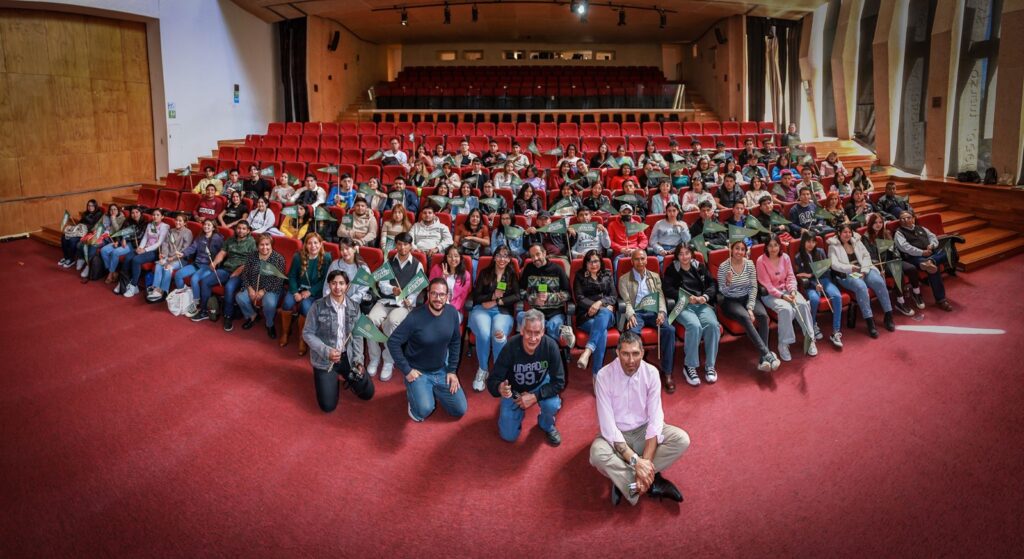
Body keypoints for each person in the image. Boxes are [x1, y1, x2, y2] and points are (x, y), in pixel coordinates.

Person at [590, 331, 689, 506]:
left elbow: (655, 420)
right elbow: (608, 427)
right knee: (597, 454)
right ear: (617, 353)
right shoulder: (604, 376)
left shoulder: (651, 373)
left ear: (642, 353)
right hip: (617, 434)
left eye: (635, 353)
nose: (631, 360)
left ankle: (627, 482)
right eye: (625, 354)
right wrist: (636, 462)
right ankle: (651, 482)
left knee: (682, 440)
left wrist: (644, 463)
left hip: (644, 430)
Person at [388, 278, 467, 423]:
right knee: (424, 410)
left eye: (442, 294)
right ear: (428, 294)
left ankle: (431, 390)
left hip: (441, 370)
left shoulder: (452, 313)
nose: (438, 298)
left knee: (459, 409)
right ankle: (415, 397)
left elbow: (456, 342)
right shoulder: (415, 317)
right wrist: (407, 370)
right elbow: (393, 342)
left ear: (447, 296)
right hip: (418, 372)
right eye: (434, 293)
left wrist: (452, 370)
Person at [487, 310, 565, 446]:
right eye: (529, 332)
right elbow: (493, 380)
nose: (533, 338)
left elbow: (559, 382)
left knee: (552, 404)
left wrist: (535, 396)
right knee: (508, 436)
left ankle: (546, 424)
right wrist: (500, 388)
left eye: (537, 333)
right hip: (514, 390)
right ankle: (517, 412)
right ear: (522, 330)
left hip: (540, 384)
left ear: (543, 332)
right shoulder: (510, 346)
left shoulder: (551, 346)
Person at [302, 269, 375, 412]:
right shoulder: (317, 306)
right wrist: (326, 351)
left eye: (341, 283)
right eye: (334, 283)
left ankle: (348, 376)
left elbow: (357, 336)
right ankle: (329, 378)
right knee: (328, 406)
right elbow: (307, 333)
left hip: (347, 356)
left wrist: (358, 360)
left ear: (347, 286)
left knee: (367, 393)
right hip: (325, 360)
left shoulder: (354, 307)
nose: (337, 287)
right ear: (329, 284)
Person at [367, 232, 424, 381]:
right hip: (385, 301)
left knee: (391, 322)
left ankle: (388, 360)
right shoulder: (388, 262)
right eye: (399, 244)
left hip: (402, 305)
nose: (402, 247)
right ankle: (374, 357)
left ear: (410, 246)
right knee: (370, 320)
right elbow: (382, 284)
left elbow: (417, 289)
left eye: (405, 244)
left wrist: (409, 300)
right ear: (396, 245)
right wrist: (392, 289)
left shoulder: (418, 265)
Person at [717, 239, 780, 371]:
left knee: (763, 316)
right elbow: (722, 292)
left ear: (746, 252)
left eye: (742, 249)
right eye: (737, 248)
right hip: (730, 300)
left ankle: (763, 359)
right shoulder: (723, 267)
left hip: (748, 298)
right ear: (731, 249)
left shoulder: (750, 264)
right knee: (746, 317)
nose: (739, 252)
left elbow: (753, 287)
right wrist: (728, 282)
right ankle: (767, 354)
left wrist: (750, 307)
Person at [663, 243, 720, 388]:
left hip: (701, 304)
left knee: (713, 325)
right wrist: (686, 297)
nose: (684, 257)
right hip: (682, 305)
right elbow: (667, 289)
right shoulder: (672, 269)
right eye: (681, 254)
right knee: (694, 326)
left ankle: (710, 365)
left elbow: (712, 285)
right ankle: (690, 366)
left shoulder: (700, 266)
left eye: (687, 253)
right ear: (677, 256)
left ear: (692, 254)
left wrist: (705, 297)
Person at [468, 246, 521, 391]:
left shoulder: (512, 275)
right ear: (494, 257)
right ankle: (483, 369)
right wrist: (491, 296)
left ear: (509, 259)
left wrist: (498, 301)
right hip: (482, 310)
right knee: (484, 333)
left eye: (505, 256)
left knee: (498, 333)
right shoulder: (485, 273)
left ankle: (499, 371)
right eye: (499, 255)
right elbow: (476, 296)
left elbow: (517, 296)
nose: (502, 259)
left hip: (502, 311)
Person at [828, 224, 896, 337]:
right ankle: (870, 321)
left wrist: (864, 271)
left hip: (864, 269)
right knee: (861, 286)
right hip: (847, 273)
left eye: (849, 232)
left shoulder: (857, 241)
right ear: (839, 233)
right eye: (844, 232)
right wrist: (850, 268)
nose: (847, 235)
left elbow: (866, 256)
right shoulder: (833, 246)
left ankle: (888, 315)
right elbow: (834, 264)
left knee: (879, 281)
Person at [756, 235, 817, 361]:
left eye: (776, 245)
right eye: (770, 245)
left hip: (788, 290)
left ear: (780, 245)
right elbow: (767, 285)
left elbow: (790, 276)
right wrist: (783, 296)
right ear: (766, 247)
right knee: (786, 309)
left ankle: (810, 338)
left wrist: (793, 290)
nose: (773, 248)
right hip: (771, 294)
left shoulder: (785, 257)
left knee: (802, 304)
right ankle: (783, 344)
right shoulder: (761, 261)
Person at [618, 249, 675, 377]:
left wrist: (661, 312)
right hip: (636, 312)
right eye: (637, 259)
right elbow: (626, 301)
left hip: (653, 311)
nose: (640, 262)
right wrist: (630, 315)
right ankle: (639, 370)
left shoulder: (654, 276)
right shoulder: (624, 279)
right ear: (632, 261)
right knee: (632, 333)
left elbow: (660, 296)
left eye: (642, 259)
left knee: (669, 330)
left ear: (647, 260)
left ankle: (667, 372)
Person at [190, 220, 256, 323]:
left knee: (229, 287)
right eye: (239, 228)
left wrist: (238, 271)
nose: (241, 231)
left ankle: (228, 315)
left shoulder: (252, 242)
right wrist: (215, 262)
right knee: (205, 282)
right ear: (235, 229)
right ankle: (204, 311)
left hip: (240, 273)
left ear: (248, 231)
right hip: (226, 269)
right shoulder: (230, 240)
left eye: (244, 229)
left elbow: (252, 261)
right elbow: (222, 253)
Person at [279, 232, 333, 351]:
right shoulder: (298, 257)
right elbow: (292, 276)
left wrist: (310, 292)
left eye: (316, 243)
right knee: (287, 303)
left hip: (314, 291)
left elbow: (325, 280)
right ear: (305, 245)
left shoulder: (326, 258)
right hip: (298, 288)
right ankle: (285, 333)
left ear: (321, 244)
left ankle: (302, 338)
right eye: (309, 243)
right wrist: (295, 292)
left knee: (305, 307)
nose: (313, 246)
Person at [894, 210, 955, 311]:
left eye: (908, 218)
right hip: (914, 257)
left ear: (913, 219)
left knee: (949, 252)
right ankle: (941, 300)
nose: (906, 220)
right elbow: (905, 247)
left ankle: (931, 261)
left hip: (930, 253)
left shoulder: (921, 228)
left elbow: (933, 237)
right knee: (933, 269)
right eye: (903, 219)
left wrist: (932, 245)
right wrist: (922, 252)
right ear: (900, 221)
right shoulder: (899, 233)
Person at [793, 231, 845, 347]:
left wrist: (811, 275)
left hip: (824, 280)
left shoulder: (821, 252)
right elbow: (801, 276)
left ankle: (836, 331)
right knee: (814, 299)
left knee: (837, 296)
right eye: (808, 241)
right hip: (811, 284)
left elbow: (826, 270)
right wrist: (813, 284)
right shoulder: (798, 257)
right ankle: (813, 325)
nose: (811, 244)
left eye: (813, 242)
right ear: (803, 242)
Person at [518, 244, 574, 346]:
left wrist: (549, 297)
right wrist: (534, 299)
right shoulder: (529, 269)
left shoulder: (557, 269)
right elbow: (520, 291)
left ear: (544, 253)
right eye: (532, 256)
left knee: (551, 325)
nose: (535, 258)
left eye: (538, 254)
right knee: (520, 316)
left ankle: (548, 330)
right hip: (536, 313)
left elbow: (568, 294)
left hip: (555, 312)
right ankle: (560, 331)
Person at [232, 233, 287, 337]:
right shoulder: (252, 256)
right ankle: (252, 316)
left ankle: (269, 324)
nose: (264, 247)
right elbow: (245, 274)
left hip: (271, 287)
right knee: (240, 297)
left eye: (267, 244)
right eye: (261, 244)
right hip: (253, 285)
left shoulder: (279, 258)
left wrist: (263, 291)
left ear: (271, 245)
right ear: (257, 246)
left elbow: (279, 280)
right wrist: (249, 288)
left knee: (269, 303)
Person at [864, 213, 917, 317]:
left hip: (892, 260)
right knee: (898, 271)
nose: (878, 225)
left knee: (911, 268)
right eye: (875, 222)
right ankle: (900, 302)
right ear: (870, 224)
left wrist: (896, 257)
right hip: (882, 265)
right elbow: (869, 256)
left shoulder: (886, 233)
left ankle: (916, 293)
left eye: (880, 222)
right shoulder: (866, 237)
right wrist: (879, 268)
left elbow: (894, 248)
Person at [573, 249, 617, 375]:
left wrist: (599, 304)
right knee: (602, 332)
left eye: (596, 261)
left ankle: (588, 351)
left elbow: (613, 296)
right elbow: (579, 298)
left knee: (604, 313)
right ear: (585, 263)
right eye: (590, 262)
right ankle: (596, 374)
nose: (593, 264)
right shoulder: (580, 275)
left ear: (601, 262)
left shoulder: (607, 274)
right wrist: (593, 306)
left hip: (606, 315)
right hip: (586, 315)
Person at [173, 219, 224, 312]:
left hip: (208, 266)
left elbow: (222, 252)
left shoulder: (218, 238)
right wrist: (183, 253)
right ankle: (184, 295)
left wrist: (216, 263)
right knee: (178, 274)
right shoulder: (200, 236)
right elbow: (193, 248)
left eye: (209, 225)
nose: (206, 226)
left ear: (213, 227)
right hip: (197, 263)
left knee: (194, 279)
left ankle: (196, 302)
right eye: (205, 224)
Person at [118, 208, 169, 298]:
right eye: (154, 215)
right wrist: (140, 247)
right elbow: (145, 238)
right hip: (144, 248)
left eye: (158, 215)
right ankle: (123, 283)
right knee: (128, 257)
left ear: (162, 217)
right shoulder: (150, 225)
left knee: (136, 260)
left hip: (156, 251)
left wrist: (145, 250)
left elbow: (159, 243)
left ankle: (133, 286)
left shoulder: (165, 227)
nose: (155, 217)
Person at [147, 212, 193, 302]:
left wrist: (173, 258)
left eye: (180, 221)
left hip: (180, 259)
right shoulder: (171, 231)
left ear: (185, 223)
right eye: (176, 220)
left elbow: (185, 250)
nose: (177, 222)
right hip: (168, 256)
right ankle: (156, 288)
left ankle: (164, 291)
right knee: (159, 264)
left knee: (168, 267)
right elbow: (165, 244)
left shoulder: (188, 233)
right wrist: (164, 255)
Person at [81, 203, 124, 281]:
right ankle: (87, 264)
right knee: (89, 243)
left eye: (115, 209)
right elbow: (98, 224)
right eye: (111, 210)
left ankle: (89, 266)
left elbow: (118, 231)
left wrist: (113, 219)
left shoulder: (122, 218)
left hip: (111, 239)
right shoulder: (105, 216)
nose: (113, 211)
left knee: (94, 245)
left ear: (118, 210)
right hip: (101, 235)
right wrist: (94, 230)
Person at [59, 199, 103, 270]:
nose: (90, 207)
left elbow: (94, 225)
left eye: (92, 206)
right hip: (80, 230)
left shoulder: (98, 214)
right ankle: (66, 257)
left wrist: (84, 218)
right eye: (89, 205)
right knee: (64, 237)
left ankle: (71, 259)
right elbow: (80, 223)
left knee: (72, 240)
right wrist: (77, 227)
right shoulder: (86, 213)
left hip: (87, 233)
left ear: (95, 206)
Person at [429, 245, 471, 315]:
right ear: (446, 257)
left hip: (454, 308)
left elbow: (462, 298)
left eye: (456, 256)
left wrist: (448, 308)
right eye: (450, 256)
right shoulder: (436, 269)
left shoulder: (466, 275)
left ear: (460, 258)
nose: (453, 259)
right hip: (435, 305)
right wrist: (442, 278)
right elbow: (430, 289)